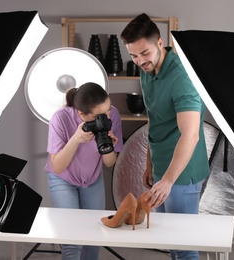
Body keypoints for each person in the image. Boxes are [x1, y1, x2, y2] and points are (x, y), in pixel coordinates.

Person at [121, 13, 210, 260]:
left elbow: (190, 135)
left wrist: (168, 180)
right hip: (163, 167)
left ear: (160, 43)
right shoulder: (146, 69)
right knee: (170, 240)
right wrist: (150, 163)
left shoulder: (182, 79)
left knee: (183, 245)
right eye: (133, 55)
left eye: (145, 53)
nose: (139, 61)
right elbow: (155, 121)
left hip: (182, 172)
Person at [44, 82, 123, 260]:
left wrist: (108, 145)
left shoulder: (113, 116)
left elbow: (109, 163)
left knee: (94, 236)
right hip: (63, 179)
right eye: (100, 115)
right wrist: (76, 139)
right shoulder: (60, 118)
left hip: (93, 178)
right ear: (81, 114)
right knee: (71, 239)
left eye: (109, 109)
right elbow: (57, 166)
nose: (107, 116)